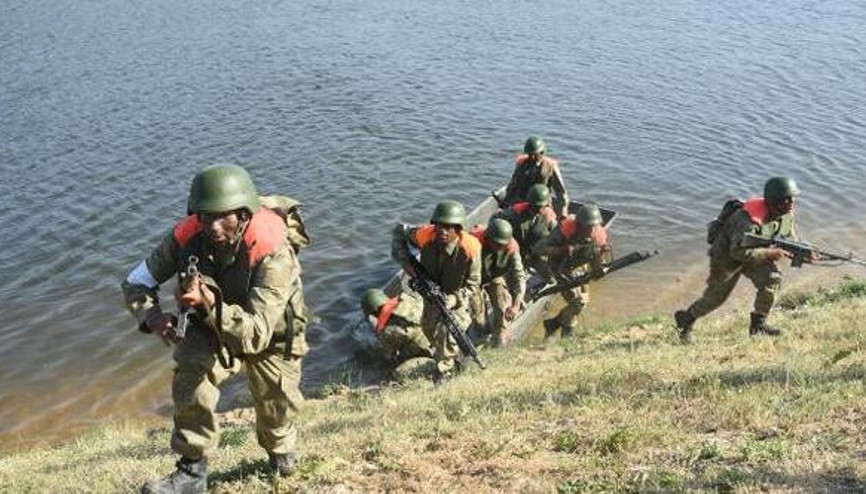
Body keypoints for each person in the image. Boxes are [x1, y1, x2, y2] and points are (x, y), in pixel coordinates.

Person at [121, 164, 309, 493]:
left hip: (272, 332)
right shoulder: (186, 235)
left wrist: (208, 301)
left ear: (244, 213)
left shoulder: (273, 248)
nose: (213, 227)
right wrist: (153, 317)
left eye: (224, 218)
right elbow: (136, 281)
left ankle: (280, 451)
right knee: (190, 373)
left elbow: (257, 333)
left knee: (277, 404)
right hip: (211, 324)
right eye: (205, 217)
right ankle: (192, 472)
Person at [674, 177, 803, 343]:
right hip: (727, 256)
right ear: (774, 202)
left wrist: (804, 253)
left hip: (756, 250)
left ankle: (758, 325)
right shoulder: (747, 221)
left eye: (793, 198)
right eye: (787, 199)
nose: (792, 202)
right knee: (715, 298)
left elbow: (788, 239)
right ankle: (686, 319)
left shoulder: (784, 214)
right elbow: (737, 253)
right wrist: (770, 253)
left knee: (772, 279)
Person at [391, 200, 482, 382]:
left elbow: (473, 285)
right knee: (428, 327)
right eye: (439, 226)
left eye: (448, 227)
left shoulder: (470, 248)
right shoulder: (425, 234)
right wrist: (407, 264)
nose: (442, 231)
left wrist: (454, 299)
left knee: (448, 328)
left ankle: (444, 371)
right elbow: (398, 231)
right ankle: (447, 354)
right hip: (431, 291)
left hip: (460, 297)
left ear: (458, 229)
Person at [533, 204, 612, 338]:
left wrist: (600, 267)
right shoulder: (563, 232)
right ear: (579, 225)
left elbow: (596, 262)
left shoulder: (599, 236)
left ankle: (553, 323)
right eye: (587, 227)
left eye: (594, 226)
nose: (591, 230)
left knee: (583, 301)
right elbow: (539, 249)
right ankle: (567, 331)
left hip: (579, 267)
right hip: (560, 267)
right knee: (578, 302)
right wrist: (560, 250)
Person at [470, 218, 527, 347]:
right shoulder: (474, 242)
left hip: (495, 276)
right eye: (495, 243)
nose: (498, 247)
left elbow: (519, 276)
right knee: (479, 320)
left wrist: (516, 303)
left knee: (504, 308)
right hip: (474, 280)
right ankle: (482, 335)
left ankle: (500, 339)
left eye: (502, 244)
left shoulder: (512, 248)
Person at [500, 136, 570, 218]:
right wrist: (505, 202)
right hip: (522, 202)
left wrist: (563, 212)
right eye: (530, 155)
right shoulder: (522, 164)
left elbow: (561, 192)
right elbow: (513, 185)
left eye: (534, 155)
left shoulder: (550, 167)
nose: (532, 157)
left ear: (542, 153)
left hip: (541, 204)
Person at [360, 288, 433, 365]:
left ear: (374, 312)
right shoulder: (406, 298)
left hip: (426, 351)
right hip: (433, 333)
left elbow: (389, 356)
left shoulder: (386, 332)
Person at [495, 183, 559, 271]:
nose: (537, 209)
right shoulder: (514, 213)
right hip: (514, 252)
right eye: (534, 206)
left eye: (540, 207)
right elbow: (496, 218)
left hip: (535, 254)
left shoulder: (549, 217)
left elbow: (556, 236)